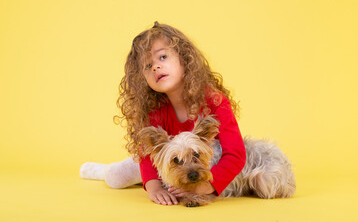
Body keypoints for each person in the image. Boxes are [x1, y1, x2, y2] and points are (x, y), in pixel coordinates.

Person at [80, 21, 246, 206]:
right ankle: (103, 171)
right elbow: (146, 155)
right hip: (162, 164)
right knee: (118, 177)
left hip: (203, 165)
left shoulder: (215, 101)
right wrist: (154, 188)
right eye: (147, 65)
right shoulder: (154, 110)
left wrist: (207, 186)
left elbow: (235, 154)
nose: (155, 67)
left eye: (163, 57)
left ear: (185, 59)